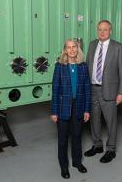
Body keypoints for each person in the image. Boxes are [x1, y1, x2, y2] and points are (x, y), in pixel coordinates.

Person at [84, 20, 122, 163]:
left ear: (111, 31)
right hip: (93, 89)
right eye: (99, 29)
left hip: (109, 91)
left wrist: (121, 92)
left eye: (105, 29)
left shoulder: (118, 47)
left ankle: (111, 149)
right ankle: (97, 145)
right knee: (94, 120)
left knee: (111, 122)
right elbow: (87, 66)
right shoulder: (91, 45)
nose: (102, 32)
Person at [51, 39, 91, 179]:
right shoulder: (59, 67)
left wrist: (87, 109)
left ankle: (77, 163)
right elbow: (55, 90)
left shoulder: (83, 66)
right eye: (69, 47)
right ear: (65, 50)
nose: (72, 50)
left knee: (77, 136)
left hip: (79, 107)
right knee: (62, 140)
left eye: (74, 47)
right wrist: (54, 111)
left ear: (78, 49)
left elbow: (87, 89)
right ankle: (64, 167)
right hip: (63, 108)